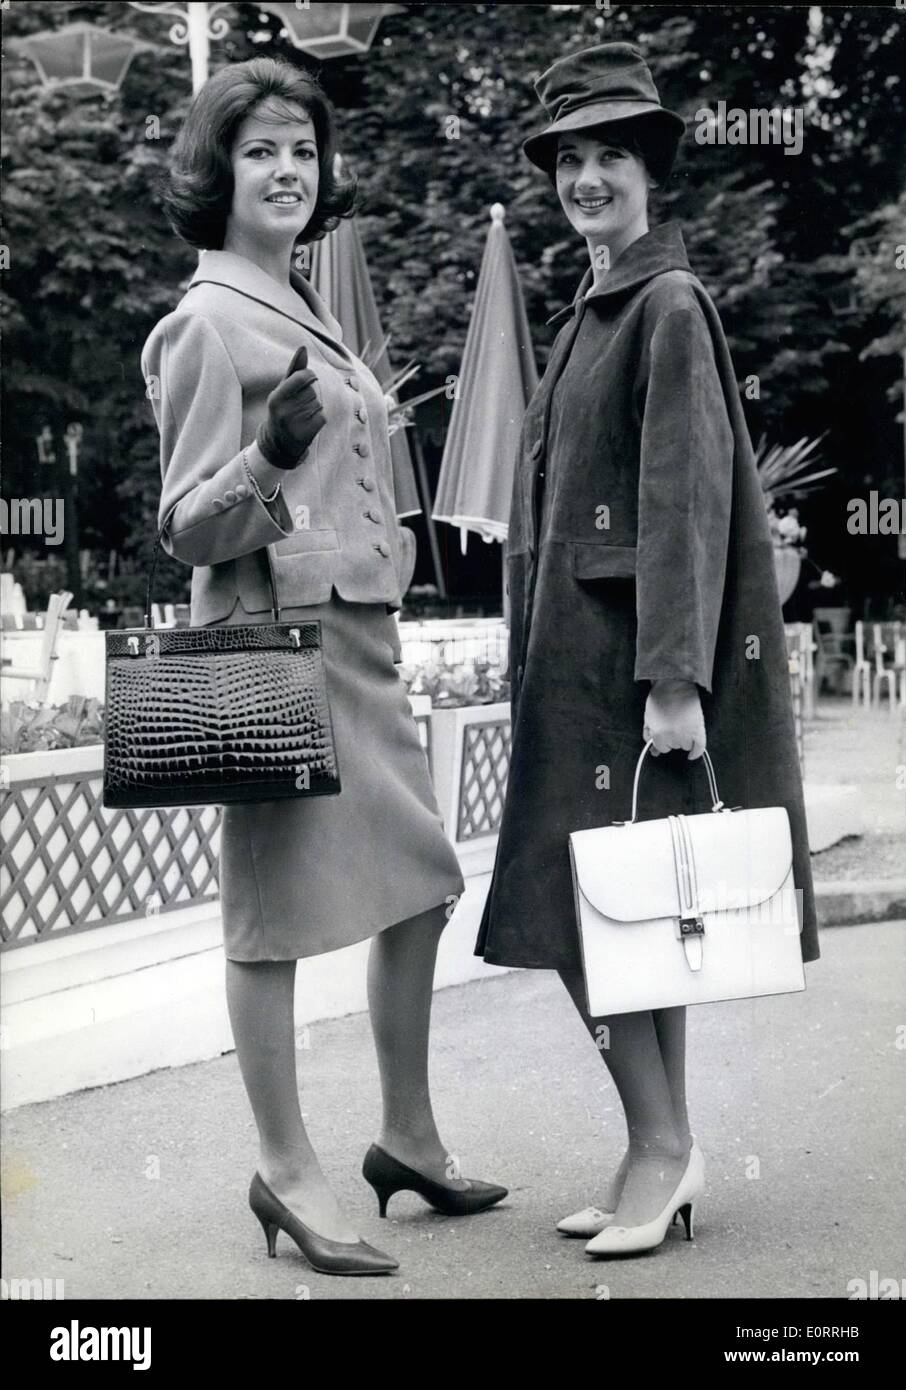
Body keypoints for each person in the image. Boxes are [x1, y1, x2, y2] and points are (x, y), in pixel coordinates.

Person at [141, 55, 506, 1278]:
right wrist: (264, 458)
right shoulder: (205, 320)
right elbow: (185, 526)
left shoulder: (304, 303)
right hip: (270, 654)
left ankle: (404, 1135)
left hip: (358, 639)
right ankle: (288, 1172)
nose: (288, 169)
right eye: (261, 151)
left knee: (425, 880)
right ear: (220, 171)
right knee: (272, 920)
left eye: (302, 149)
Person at [475, 42, 820, 1256]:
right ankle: (654, 1149)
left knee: (584, 916)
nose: (585, 177)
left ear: (650, 169)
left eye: (609, 153)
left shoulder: (663, 305)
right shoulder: (600, 303)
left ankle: (663, 1146)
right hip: (583, 664)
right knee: (627, 920)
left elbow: (684, 502)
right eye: (569, 157)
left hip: (625, 676)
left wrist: (676, 678)